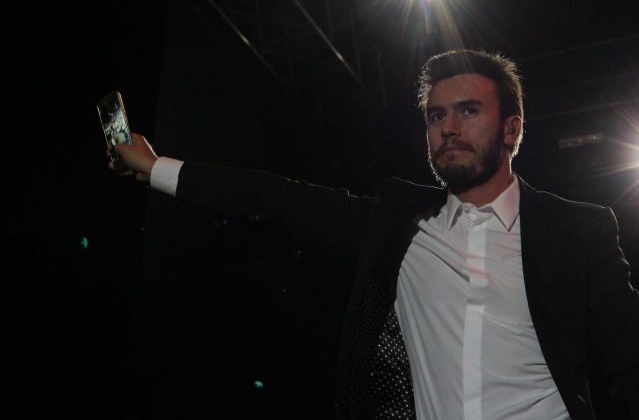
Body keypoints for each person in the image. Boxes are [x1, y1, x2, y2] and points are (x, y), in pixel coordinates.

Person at [109, 49, 639, 419]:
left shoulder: (577, 229)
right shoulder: (400, 221)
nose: (448, 128)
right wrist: (156, 168)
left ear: (512, 128)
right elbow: (275, 197)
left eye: (469, 111)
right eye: (436, 116)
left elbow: (629, 359)